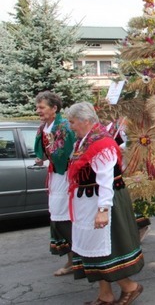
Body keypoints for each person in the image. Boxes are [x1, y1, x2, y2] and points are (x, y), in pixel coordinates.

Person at [66, 102, 144, 305]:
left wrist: (103, 210)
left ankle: (130, 287)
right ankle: (105, 294)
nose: (71, 126)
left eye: (72, 122)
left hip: (103, 201)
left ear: (85, 120)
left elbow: (105, 180)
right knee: (92, 249)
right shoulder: (85, 141)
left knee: (107, 249)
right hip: (87, 202)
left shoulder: (102, 143)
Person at [34, 91, 76, 276]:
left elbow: (66, 153)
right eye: (37, 107)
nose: (38, 111)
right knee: (59, 216)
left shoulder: (63, 126)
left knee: (65, 217)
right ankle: (73, 259)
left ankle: (77, 259)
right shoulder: (45, 127)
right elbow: (44, 152)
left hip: (66, 175)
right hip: (56, 175)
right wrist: (41, 158)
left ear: (54, 108)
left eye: (42, 107)